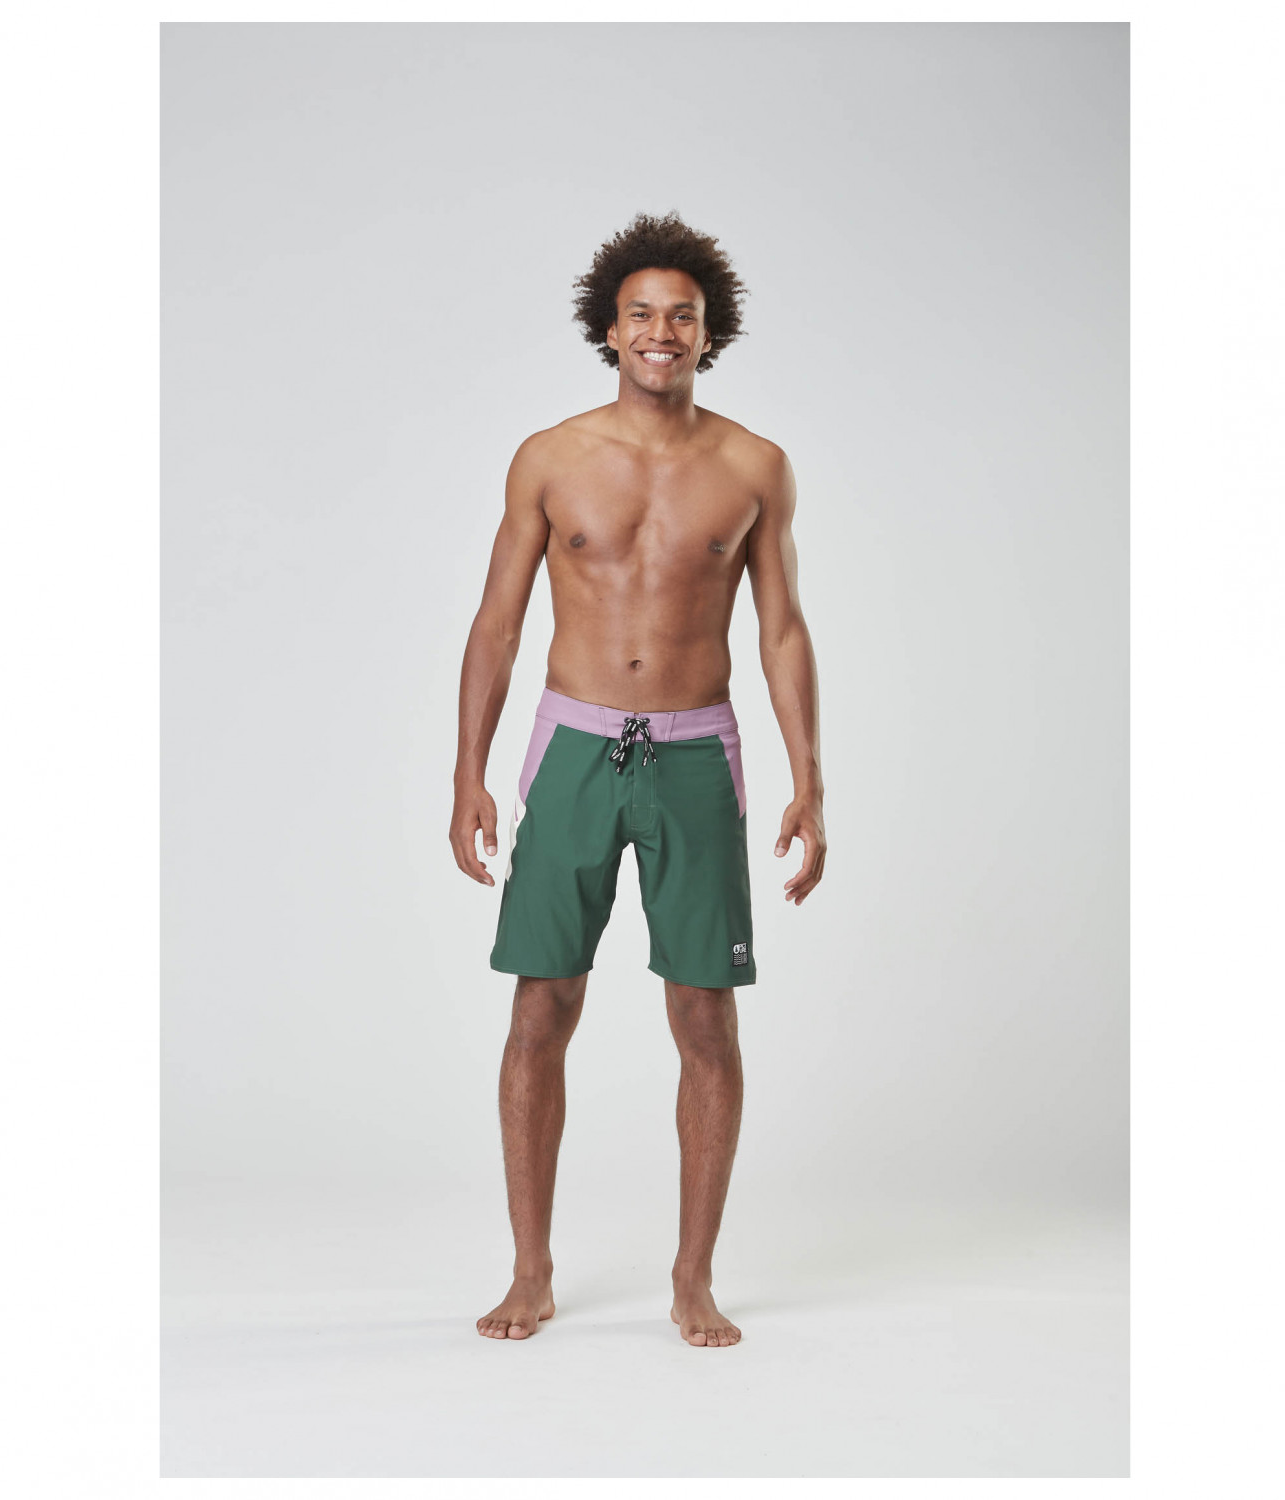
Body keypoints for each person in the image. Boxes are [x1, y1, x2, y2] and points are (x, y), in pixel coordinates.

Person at [450, 212, 825, 1348]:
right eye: (642, 315)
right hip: (571, 748)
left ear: (710, 334)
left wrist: (810, 778)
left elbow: (783, 630)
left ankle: (692, 1278)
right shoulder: (550, 458)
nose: (662, 332)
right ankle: (530, 1270)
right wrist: (469, 771)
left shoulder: (755, 466)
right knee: (540, 1007)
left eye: (683, 317)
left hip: (695, 752)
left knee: (704, 1014)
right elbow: (497, 623)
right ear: (609, 331)